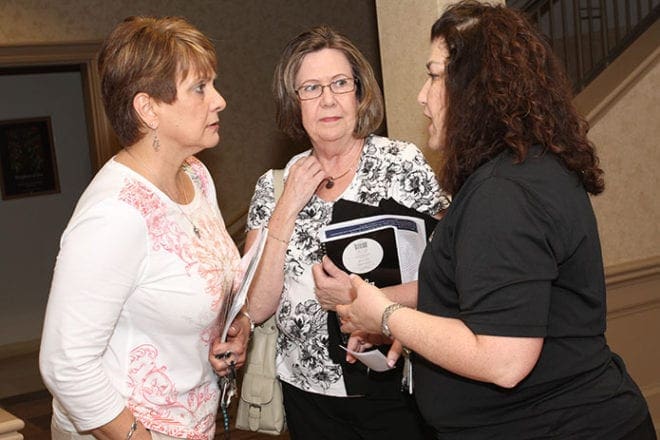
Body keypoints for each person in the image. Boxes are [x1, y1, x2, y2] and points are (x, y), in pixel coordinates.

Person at [336, 2, 656, 439]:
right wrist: (398, 317)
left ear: (476, 87)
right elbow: (487, 306)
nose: (421, 95)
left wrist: (387, 316)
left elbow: (504, 359)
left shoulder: (505, 193)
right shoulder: (525, 170)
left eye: (433, 75)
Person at [39, 16, 251, 440]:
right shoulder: (114, 215)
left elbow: (200, 283)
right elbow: (66, 363)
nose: (220, 100)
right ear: (148, 108)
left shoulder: (196, 175)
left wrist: (235, 327)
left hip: (194, 423)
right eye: (200, 87)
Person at [243, 26, 450, 439]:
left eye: (340, 83)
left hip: (395, 383)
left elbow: (451, 275)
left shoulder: (400, 164)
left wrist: (368, 302)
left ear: (359, 91)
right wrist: (286, 208)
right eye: (311, 88)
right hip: (307, 396)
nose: (328, 100)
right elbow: (257, 307)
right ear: (293, 102)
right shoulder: (274, 186)